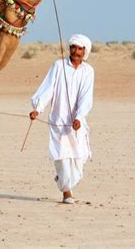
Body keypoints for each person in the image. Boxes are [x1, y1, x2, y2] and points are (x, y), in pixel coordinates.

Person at [29, 34, 94, 204]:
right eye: (73, 47)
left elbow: (86, 97)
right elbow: (47, 88)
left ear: (85, 51)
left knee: (78, 161)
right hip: (58, 121)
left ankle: (62, 180)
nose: (76, 51)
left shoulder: (88, 71)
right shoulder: (58, 66)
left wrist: (79, 117)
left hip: (76, 124)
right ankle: (66, 192)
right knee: (62, 158)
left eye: (80, 48)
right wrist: (38, 109)